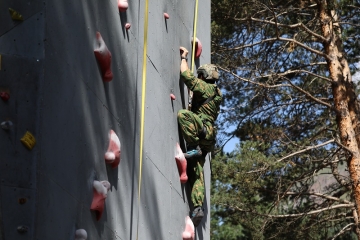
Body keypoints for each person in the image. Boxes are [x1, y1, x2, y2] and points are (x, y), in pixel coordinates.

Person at [178, 46, 222, 227]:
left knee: (183, 115)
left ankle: (194, 147)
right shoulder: (217, 93)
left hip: (201, 130)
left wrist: (184, 58)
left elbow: (186, 76)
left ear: (204, 76)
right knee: (196, 170)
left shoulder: (205, 88)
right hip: (208, 137)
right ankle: (197, 208)